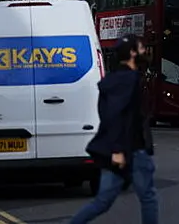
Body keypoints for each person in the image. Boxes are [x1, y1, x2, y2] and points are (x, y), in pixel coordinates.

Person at [70, 35, 158, 224]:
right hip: (130, 150)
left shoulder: (115, 79)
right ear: (133, 53)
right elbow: (114, 116)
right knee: (148, 197)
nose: (146, 51)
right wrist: (118, 150)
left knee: (103, 201)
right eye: (142, 48)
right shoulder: (128, 80)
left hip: (123, 148)